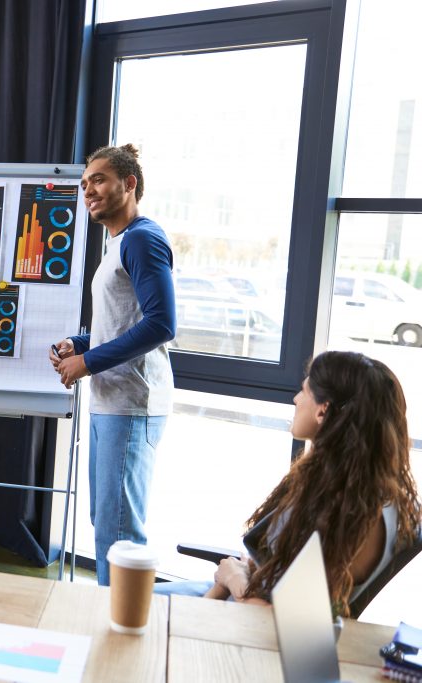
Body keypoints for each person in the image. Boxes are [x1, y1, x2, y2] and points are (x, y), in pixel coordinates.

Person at [156, 351, 421, 617]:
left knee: (127, 611)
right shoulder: (345, 488)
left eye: (304, 391)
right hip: (243, 598)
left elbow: (293, 625)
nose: (295, 399)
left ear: (323, 409)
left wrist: (234, 580)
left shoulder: (350, 514)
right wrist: (233, 580)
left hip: (251, 621)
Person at [49, 143, 176, 585]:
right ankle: (111, 629)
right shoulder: (120, 242)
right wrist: (77, 343)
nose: (89, 190)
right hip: (111, 402)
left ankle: (121, 639)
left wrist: (87, 362)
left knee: (119, 535)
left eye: (99, 180)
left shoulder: (143, 238)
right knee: (107, 526)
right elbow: (124, 320)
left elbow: (161, 324)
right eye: (85, 184)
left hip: (132, 403)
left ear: (129, 183)